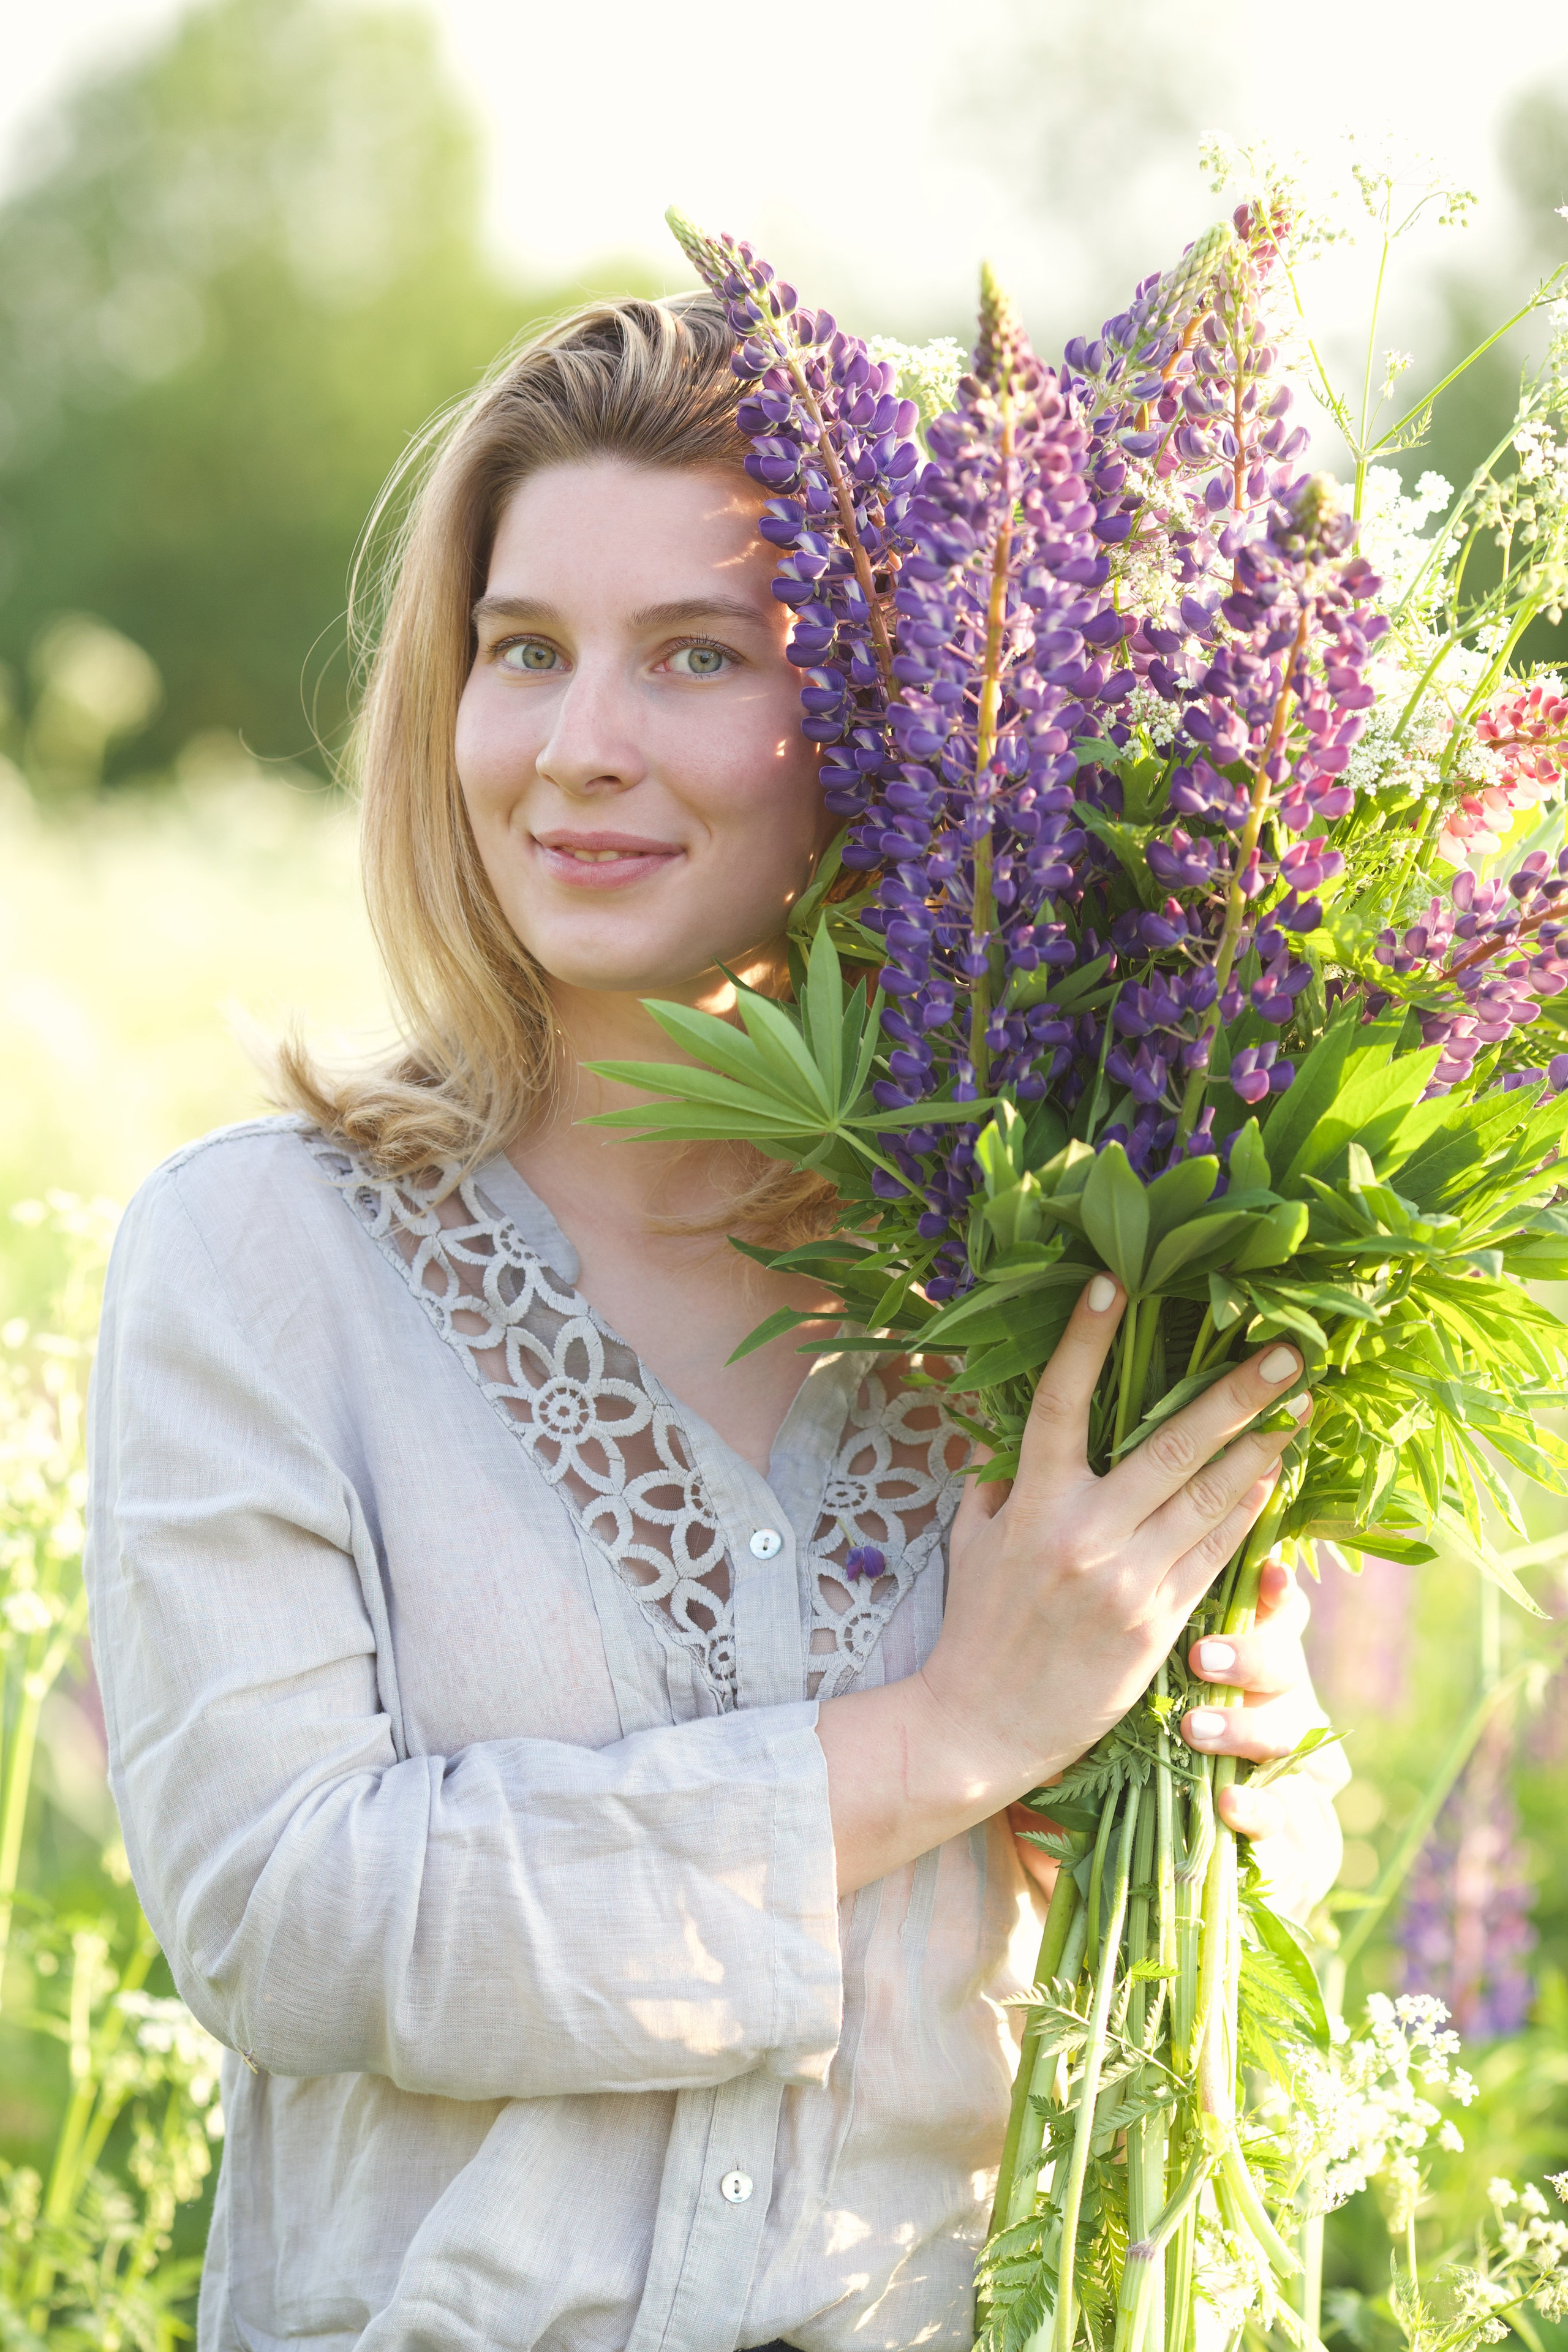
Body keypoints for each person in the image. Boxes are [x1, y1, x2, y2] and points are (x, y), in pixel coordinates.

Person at [85, 292, 1346, 2352]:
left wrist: (1241, 1799)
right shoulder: (260, 1265)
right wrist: (945, 1739)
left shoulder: (1052, 1274)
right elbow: (287, 1915)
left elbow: (1112, 1963)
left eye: (697, 655)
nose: (581, 743)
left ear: (891, 710)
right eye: (524, 652)